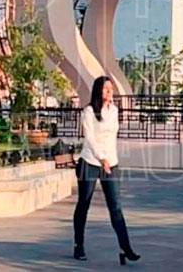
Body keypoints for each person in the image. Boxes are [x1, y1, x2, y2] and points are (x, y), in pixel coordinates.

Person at [72, 76, 141, 265]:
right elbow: (90, 138)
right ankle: (79, 245)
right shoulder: (88, 111)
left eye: (111, 88)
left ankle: (125, 248)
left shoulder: (114, 111)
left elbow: (112, 137)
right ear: (98, 91)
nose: (110, 91)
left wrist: (109, 160)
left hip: (111, 163)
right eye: (106, 88)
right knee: (83, 204)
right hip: (90, 162)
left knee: (115, 206)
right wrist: (101, 158)